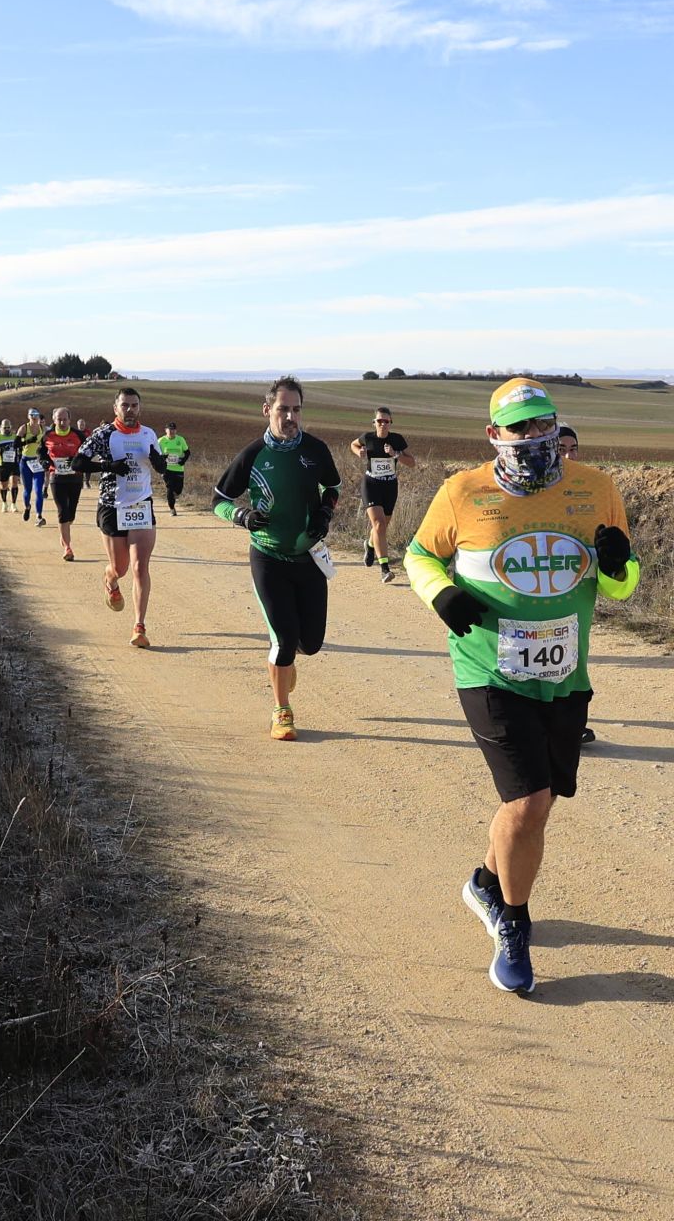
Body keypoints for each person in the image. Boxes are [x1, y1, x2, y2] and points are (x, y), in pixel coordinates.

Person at [404, 378, 639, 995]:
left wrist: (619, 565)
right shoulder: (463, 493)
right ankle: (514, 924)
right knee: (530, 802)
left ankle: (486, 882)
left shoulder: (597, 490)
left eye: (544, 427)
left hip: (564, 672)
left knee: (537, 806)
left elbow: (620, 586)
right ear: (493, 436)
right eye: (520, 430)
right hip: (487, 668)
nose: (534, 439)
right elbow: (418, 556)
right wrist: (442, 595)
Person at [211, 376, 341, 741]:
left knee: (310, 643)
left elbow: (333, 487)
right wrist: (242, 517)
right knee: (284, 640)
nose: (290, 417)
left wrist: (325, 514)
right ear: (267, 410)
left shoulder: (315, 450)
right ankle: (281, 710)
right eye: (283, 409)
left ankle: (286, 663)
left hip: (308, 556)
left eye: (296, 409)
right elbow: (218, 499)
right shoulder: (253, 455)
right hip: (268, 556)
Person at [77, 387, 168, 649]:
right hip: (112, 506)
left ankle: (139, 626)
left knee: (140, 567)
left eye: (134, 405)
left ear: (140, 408)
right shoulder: (105, 435)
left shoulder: (149, 434)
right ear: (115, 408)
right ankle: (110, 580)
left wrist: (159, 463)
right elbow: (78, 463)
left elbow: (161, 467)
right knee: (121, 568)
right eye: (125, 405)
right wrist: (108, 466)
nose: (130, 410)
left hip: (141, 505)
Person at [557, 425, 596, 744]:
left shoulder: (590, 490)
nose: (569, 455)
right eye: (561, 448)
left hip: (575, 588)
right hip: (534, 586)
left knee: (573, 651)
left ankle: (573, 722)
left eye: (573, 448)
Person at [348, 406, 415, 582]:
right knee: (378, 525)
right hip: (371, 483)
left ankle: (370, 545)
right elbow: (354, 444)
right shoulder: (367, 438)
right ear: (374, 423)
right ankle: (385, 569)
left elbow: (412, 463)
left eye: (386, 421)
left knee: (382, 526)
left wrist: (395, 454)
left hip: (390, 486)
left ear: (390, 423)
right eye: (380, 421)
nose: (383, 424)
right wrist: (359, 452)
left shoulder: (397, 440)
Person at [42, 406, 86, 562]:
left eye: (64, 419)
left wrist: (78, 461)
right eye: (58, 419)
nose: (61, 422)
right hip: (57, 478)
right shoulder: (47, 436)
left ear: (69, 420)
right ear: (54, 420)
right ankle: (67, 547)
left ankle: (64, 533)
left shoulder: (78, 435)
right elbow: (41, 452)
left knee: (71, 513)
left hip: (75, 478)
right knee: (62, 511)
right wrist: (45, 462)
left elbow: (87, 452)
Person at [18, 407, 50, 527]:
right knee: (27, 490)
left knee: (38, 491)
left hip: (37, 462)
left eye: (36, 415)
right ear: (28, 416)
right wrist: (28, 441)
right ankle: (27, 507)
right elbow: (16, 444)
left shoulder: (44, 430)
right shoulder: (24, 428)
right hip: (25, 461)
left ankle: (39, 516)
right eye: (32, 415)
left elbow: (47, 446)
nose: (34, 417)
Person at [157, 422, 191, 516]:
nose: (171, 431)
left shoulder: (180, 439)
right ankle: (172, 508)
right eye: (169, 429)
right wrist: (163, 458)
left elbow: (187, 452)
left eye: (173, 429)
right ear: (165, 430)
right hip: (167, 469)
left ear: (176, 430)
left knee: (179, 490)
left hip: (179, 468)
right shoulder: (161, 441)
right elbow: (156, 454)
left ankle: (172, 497)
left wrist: (183, 460)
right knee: (170, 488)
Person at [0, 419, 22, 513]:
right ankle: (4, 503)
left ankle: (14, 504)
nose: (6, 429)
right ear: (1, 428)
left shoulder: (15, 436)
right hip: (2, 464)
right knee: (4, 485)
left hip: (13, 463)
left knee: (14, 482)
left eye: (8, 427)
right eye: (4, 428)